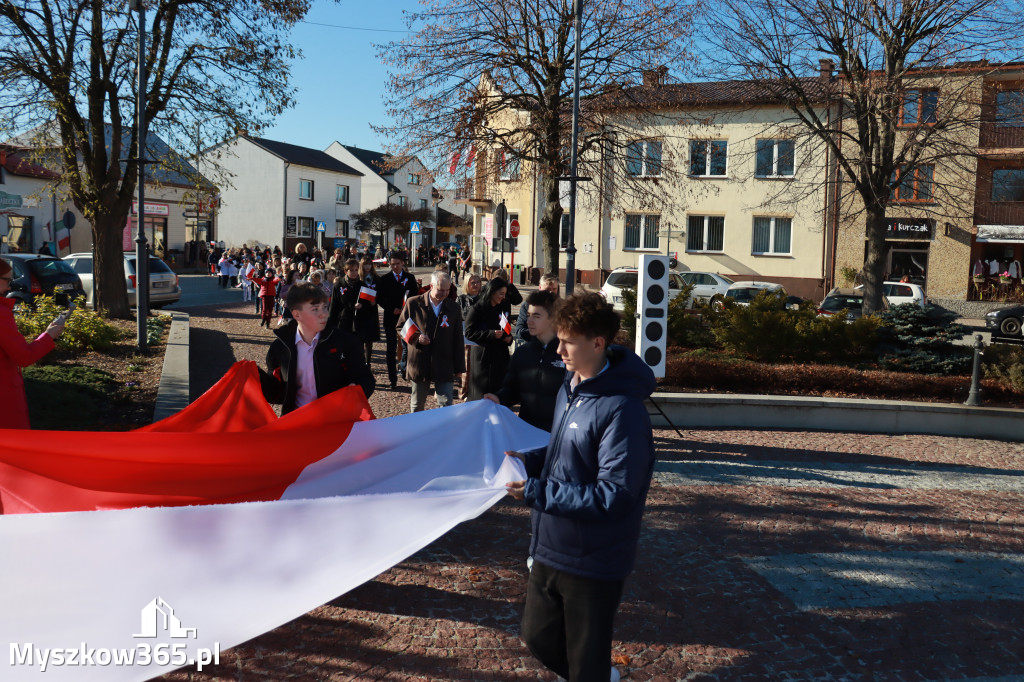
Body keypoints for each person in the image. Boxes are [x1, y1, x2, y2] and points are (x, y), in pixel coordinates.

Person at [504, 292, 656, 682]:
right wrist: (527, 461)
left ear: (598, 343)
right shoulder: (569, 388)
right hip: (551, 544)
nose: (559, 349)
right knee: (536, 636)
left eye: (568, 341)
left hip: (594, 558)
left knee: (585, 660)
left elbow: (615, 495)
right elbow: (561, 454)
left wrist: (536, 492)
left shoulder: (623, 410)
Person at [262, 281, 375, 415]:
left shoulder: (345, 341)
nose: (324, 314)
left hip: (336, 422)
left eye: (325, 307)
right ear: (296, 314)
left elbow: (366, 379)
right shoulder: (280, 347)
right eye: (315, 309)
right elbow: (277, 394)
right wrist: (256, 377)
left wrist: (357, 389)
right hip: (297, 423)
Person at [484, 290, 564, 431]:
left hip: (558, 435)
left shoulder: (567, 355)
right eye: (528, 315)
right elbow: (512, 389)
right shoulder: (522, 353)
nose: (529, 321)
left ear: (554, 318)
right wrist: (499, 398)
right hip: (526, 432)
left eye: (536, 316)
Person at [0, 259, 64, 430]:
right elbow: (24, 357)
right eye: (7, 280)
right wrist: (49, 336)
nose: (10, 286)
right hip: (5, 403)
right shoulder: (1, 314)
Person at [396, 271, 465, 412]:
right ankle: (417, 433)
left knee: (446, 405)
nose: (445, 293)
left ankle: (442, 434)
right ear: (431, 286)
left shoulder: (454, 308)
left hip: (444, 362)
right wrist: (416, 337)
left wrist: (459, 367)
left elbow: (458, 338)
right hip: (420, 362)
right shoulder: (414, 303)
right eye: (441, 290)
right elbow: (401, 327)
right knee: (417, 405)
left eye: (447, 290)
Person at [464, 278, 514, 400]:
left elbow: (506, 328)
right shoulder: (477, 309)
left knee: (498, 394)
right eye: (501, 294)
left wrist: (509, 338)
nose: (503, 297)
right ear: (492, 291)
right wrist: (490, 334)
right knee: (481, 396)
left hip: (500, 358)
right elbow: (469, 333)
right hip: (483, 359)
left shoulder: (502, 307)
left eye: (505, 294)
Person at [375, 253, 419, 389]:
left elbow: (415, 296)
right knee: (391, 348)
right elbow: (380, 298)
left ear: (402, 264)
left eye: (397, 264)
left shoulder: (409, 278)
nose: (395, 266)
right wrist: (390, 308)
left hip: (407, 319)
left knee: (409, 347)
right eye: (392, 264)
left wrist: (406, 309)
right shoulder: (385, 279)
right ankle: (392, 379)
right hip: (391, 319)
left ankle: (406, 372)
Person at [457, 273, 483, 401]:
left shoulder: (484, 299)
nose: (475, 285)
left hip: (480, 336)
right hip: (465, 336)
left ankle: (475, 392)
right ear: (467, 284)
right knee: (466, 367)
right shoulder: (461, 299)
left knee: (478, 366)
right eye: (473, 282)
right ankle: (463, 392)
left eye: (477, 282)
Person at [515, 274, 560, 346]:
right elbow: (519, 331)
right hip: (533, 347)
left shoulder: (562, 306)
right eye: (548, 289)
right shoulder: (528, 305)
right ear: (540, 287)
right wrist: (538, 334)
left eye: (554, 289)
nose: (551, 292)